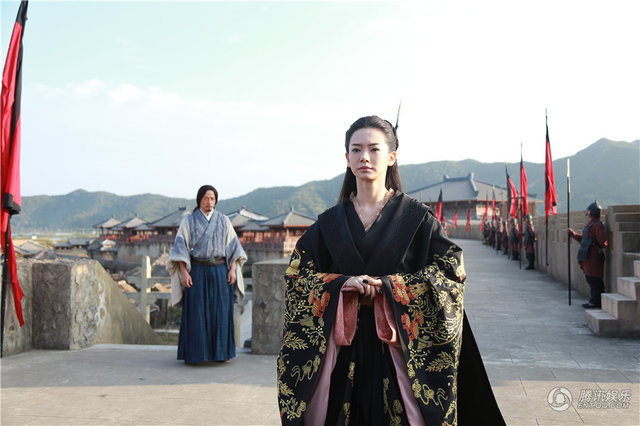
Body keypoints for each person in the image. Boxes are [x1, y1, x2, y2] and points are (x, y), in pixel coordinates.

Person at [277, 116, 504, 425]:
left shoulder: (416, 218)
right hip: (343, 350)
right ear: (347, 158)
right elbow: (296, 276)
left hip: (400, 349)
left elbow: (451, 270)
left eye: (374, 149)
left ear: (392, 156)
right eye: (356, 150)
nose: (364, 157)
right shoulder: (329, 223)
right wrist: (342, 284)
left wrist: (391, 288)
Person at [167, 185, 247, 364]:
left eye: (212, 198)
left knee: (221, 312)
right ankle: (196, 355)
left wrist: (232, 269)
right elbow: (180, 249)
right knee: (196, 313)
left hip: (220, 271)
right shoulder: (189, 221)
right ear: (199, 200)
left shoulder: (224, 220)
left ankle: (221, 354)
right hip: (196, 271)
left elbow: (233, 247)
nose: (209, 202)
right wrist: (183, 273)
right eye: (205, 198)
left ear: (216, 201)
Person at [567, 201, 607, 309]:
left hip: (594, 256)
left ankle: (596, 301)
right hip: (587, 256)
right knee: (590, 277)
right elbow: (585, 240)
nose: (587, 212)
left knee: (594, 279)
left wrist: (597, 245)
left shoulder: (597, 225)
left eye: (589, 211)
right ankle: (594, 300)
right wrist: (574, 234)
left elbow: (602, 242)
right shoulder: (590, 224)